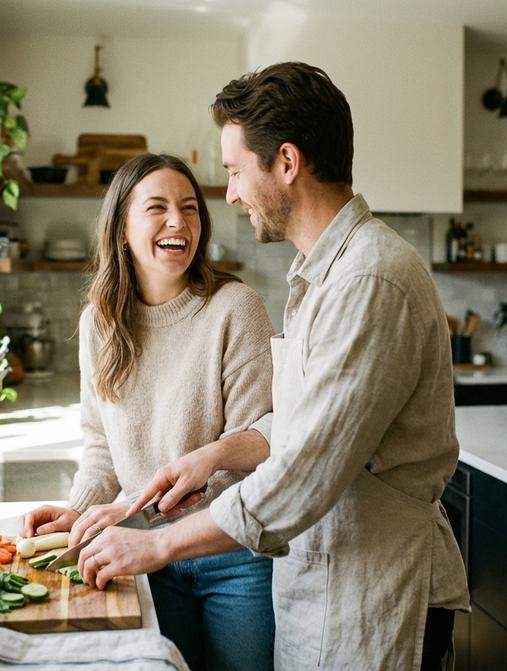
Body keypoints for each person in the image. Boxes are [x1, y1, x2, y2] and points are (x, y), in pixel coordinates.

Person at [73, 63, 470, 670]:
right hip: (327, 583)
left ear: (286, 163)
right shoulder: (322, 277)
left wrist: (158, 545)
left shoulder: (369, 280)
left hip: (375, 594)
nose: (229, 194)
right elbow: (301, 428)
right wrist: (213, 455)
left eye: (234, 171)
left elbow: (303, 476)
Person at [18, 153, 275, 671]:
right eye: (156, 207)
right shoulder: (100, 322)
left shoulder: (235, 308)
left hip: (232, 558)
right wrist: (81, 512)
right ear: (121, 230)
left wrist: (139, 512)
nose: (178, 221)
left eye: (189, 208)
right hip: (141, 556)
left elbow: (255, 452)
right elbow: (99, 445)